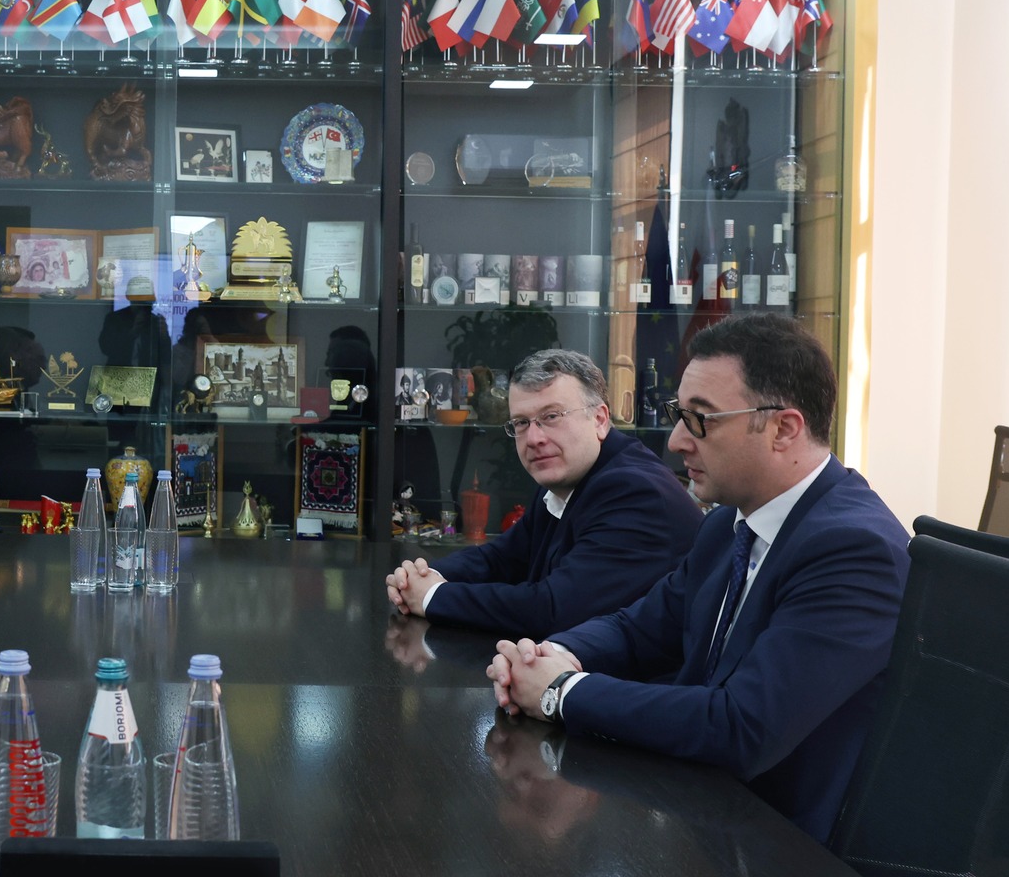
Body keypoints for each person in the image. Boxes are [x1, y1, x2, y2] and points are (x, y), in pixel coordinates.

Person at [486, 315, 909, 843]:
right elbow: (638, 630)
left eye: (700, 419)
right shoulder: (728, 524)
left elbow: (741, 727)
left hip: (783, 852)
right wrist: (549, 654)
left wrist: (560, 692)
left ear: (784, 429)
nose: (676, 441)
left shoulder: (854, 550)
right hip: (696, 808)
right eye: (678, 414)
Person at [385, 349, 703, 635]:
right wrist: (423, 575)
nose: (535, 438)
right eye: (521, 423)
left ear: (600, 419)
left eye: (551, 417)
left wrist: (431, 595)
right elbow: (502, 558)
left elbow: (554, 610)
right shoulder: (567, 475)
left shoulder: (634, 491)